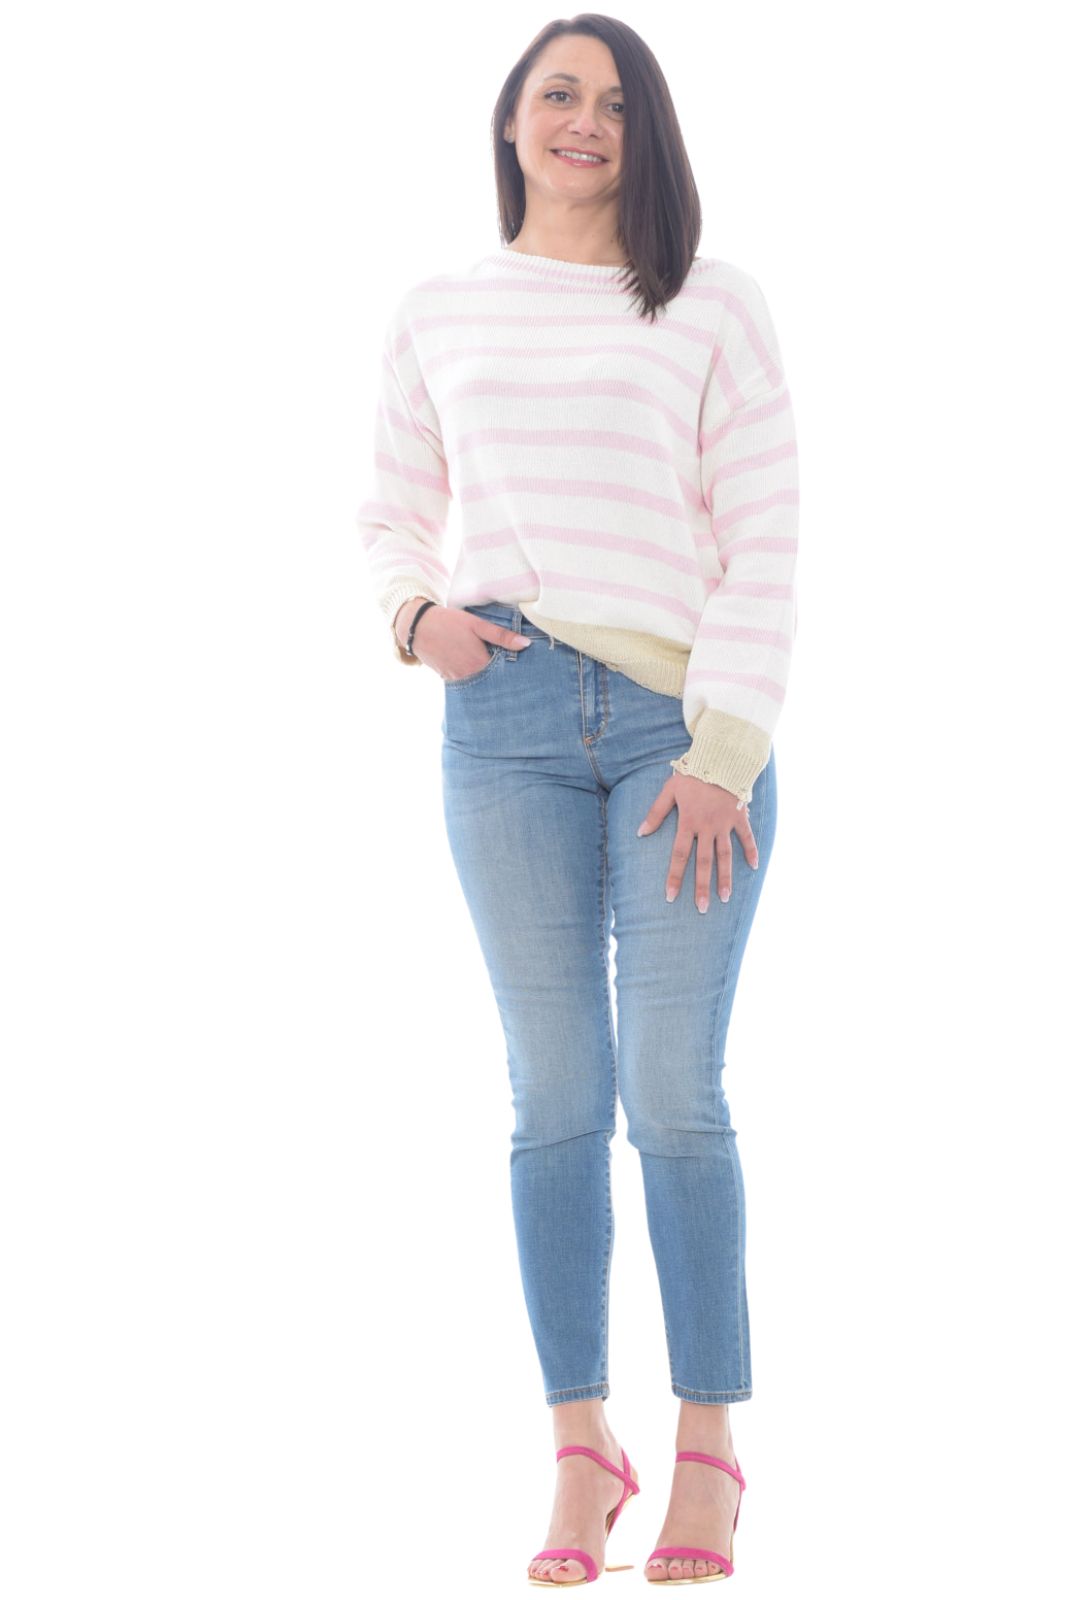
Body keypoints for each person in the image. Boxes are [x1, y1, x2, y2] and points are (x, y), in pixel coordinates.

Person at [356, 16, 799, 1587]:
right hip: (506, 723)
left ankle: (709, 1447)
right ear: (511, 121)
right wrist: (415, 616)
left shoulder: (709, 302)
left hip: (686, 734)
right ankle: (579, 1447)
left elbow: (767, 529)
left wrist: (724, 750)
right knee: (553, 1096)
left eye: (615, 102)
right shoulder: (439, 310)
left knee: (674, 1091)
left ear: (645, 132)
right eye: (558, 93)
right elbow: (390, 506)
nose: (584, 121)